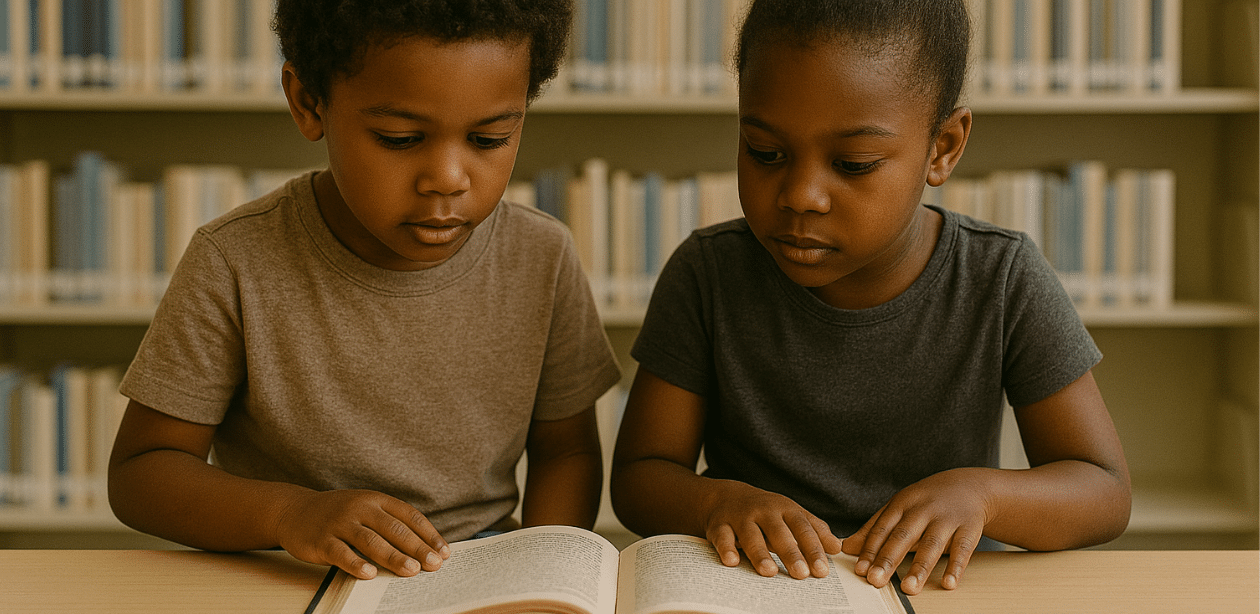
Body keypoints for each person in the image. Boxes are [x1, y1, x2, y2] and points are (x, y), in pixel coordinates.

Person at [610, 0, 1131, 597]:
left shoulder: (1001, 278)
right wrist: (716, 502)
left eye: (853, 164)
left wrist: (983, 495)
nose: (802, 195)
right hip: (755, 590)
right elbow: (639, 477)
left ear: (943, 148)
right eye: (764, 153)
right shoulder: (707, 274)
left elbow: (1104, 490)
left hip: (933, 593)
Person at [109, 0, 621, 582]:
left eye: (489, 139)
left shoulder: (542, 256)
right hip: (286, 572)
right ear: (309, 103)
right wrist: (291, 514)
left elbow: (567, 451)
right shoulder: (235, 260)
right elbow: (141, 472)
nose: (448, 179)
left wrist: (544, 569)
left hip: (473, 575)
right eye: (400, 139)